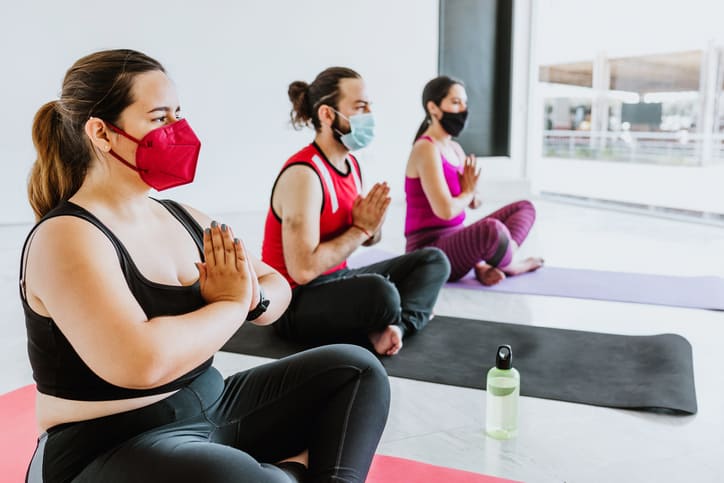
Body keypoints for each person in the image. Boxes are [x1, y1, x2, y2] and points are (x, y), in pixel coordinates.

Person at [22, 49, 389, 483]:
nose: (179, 130)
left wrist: (253, 297)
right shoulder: (67, 235)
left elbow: (275, 289)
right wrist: (233, 303)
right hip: (106, 443)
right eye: (160, 118)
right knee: (250, 479)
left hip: (211, 405)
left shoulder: (180, 214)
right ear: (101, 132)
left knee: (355, 370)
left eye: (179, 114)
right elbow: (143, 363)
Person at [262, 67, 450, 357]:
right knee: (382, 294)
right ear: (327, 115)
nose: (369, 114)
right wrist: (361, 230)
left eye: (369, 106)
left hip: (336, 280)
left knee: (434, 261)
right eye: (360, 107)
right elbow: (303, 270)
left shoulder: (352, 166)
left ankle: (396, 328)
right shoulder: (305, 175)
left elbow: (361, 239)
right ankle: (406, 313)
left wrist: (372, 227)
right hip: (291, 303)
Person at [404, 76, 543, 286]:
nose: (463, 109)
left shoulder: (455, 149)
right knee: (491, 230)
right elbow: (445, 211)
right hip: (428, 251)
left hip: (455, 237)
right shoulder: (426, 148)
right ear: (433, 107)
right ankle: (509, 264)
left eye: (465, 103)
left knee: (524, 207)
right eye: (455, 102)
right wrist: (467, 193)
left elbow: (472, 201)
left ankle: (487, 263)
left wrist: (472, 193)